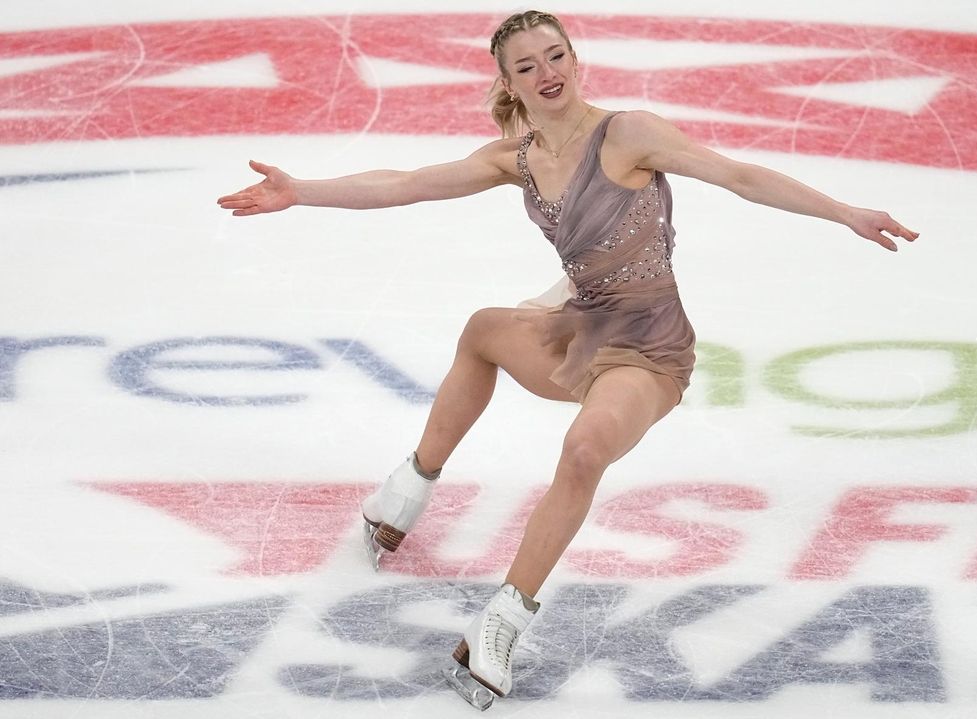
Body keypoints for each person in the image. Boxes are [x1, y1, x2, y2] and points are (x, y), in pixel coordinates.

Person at [216, 9, 918, 709]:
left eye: (556, 57)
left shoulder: (629, 134)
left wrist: (844, 211)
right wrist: (301, 190)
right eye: (527, 66)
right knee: (484, 330)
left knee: (584, 448)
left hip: (648, 348)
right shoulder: (515, 157)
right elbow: (404, 182)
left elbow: (738, 176)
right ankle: (409, 487)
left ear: (576, 61)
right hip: (580, 325)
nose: (547, 73)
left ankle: (503, 620)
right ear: (509, 83)